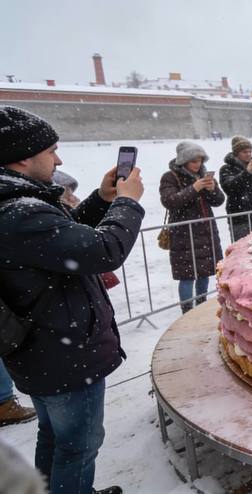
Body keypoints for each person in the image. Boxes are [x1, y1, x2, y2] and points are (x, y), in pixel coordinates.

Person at [0, 106, 145, 494]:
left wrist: (101, 198)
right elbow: (103, 250)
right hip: (61, 352)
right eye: (51, 151)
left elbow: (64, 239)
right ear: (21, 158)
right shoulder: (18, 213)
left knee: (54, 437)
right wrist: (127, 203)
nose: (59, 159)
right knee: (78, 447)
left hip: (41, 351)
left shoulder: (18, 204)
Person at [160, 141, 225, 314]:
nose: (198, 164)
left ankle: (201, 305)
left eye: (200, 160)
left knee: (204, 273)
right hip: (183, 234)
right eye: (193, 161)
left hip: (206, 231)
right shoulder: (170, 177)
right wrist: (194, 188)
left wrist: (212, 190)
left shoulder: (205, 176)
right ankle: (187, 311)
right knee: (187, 276)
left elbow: (219, 201)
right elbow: (170, 201)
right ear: (184, 161)